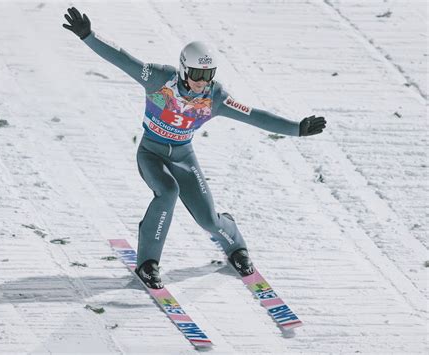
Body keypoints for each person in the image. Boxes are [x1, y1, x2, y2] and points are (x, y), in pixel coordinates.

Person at [63, 7, 327, 289]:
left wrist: (295, 128)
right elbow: (124, 60)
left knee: (209, 220)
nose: (202, 82)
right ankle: (148, 262)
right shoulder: (158, 79)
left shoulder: (215, 98)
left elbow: (253, 115)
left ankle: (236, 246)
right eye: (197, 74)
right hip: (151, 153)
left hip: (183, 156)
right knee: (168, 192)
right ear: (184, 69)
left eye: (208, 75)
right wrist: (88, 36)